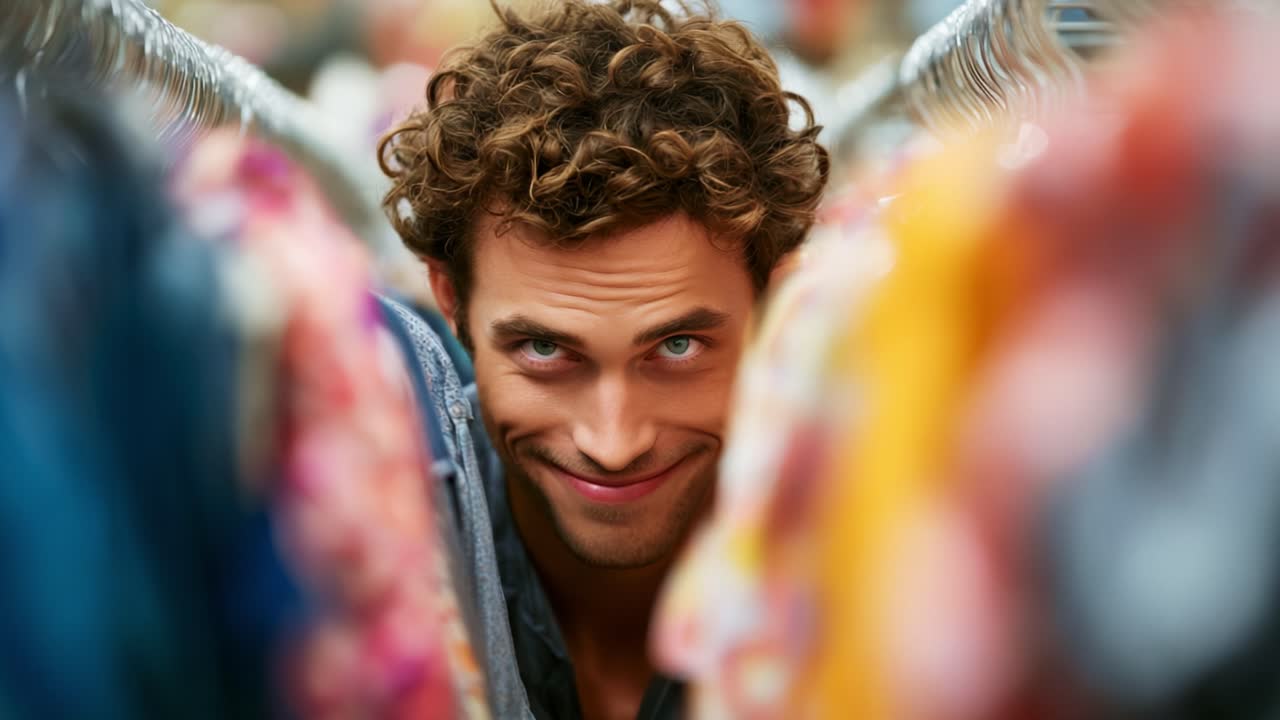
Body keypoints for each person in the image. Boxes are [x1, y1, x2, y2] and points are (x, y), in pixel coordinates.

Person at [377, 1, 829, 718]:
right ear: (450, 302)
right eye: (545, 349)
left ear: (770, 314)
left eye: (677, 347)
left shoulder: (874, 563)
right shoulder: (368, 568)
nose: (614, 444)